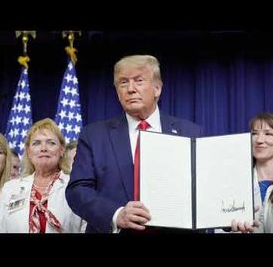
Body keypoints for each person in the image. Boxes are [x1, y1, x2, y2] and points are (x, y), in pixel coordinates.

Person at [66, 54, 203, 233]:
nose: (130, 89)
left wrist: (229, 218)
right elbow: (77, 190)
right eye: (123, 83)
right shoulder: (94, 135)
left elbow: (205, 190)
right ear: (117, 92)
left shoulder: (191, 133)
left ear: (157, 88)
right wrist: (116, 214)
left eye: (139, 81)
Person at [0, 118, 86, 233]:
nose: (43, 148)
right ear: (28, 152)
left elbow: (86, 228)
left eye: (51, 143)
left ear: (62, 150)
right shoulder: (10, 188)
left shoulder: (76, 186)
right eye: (36, 143)